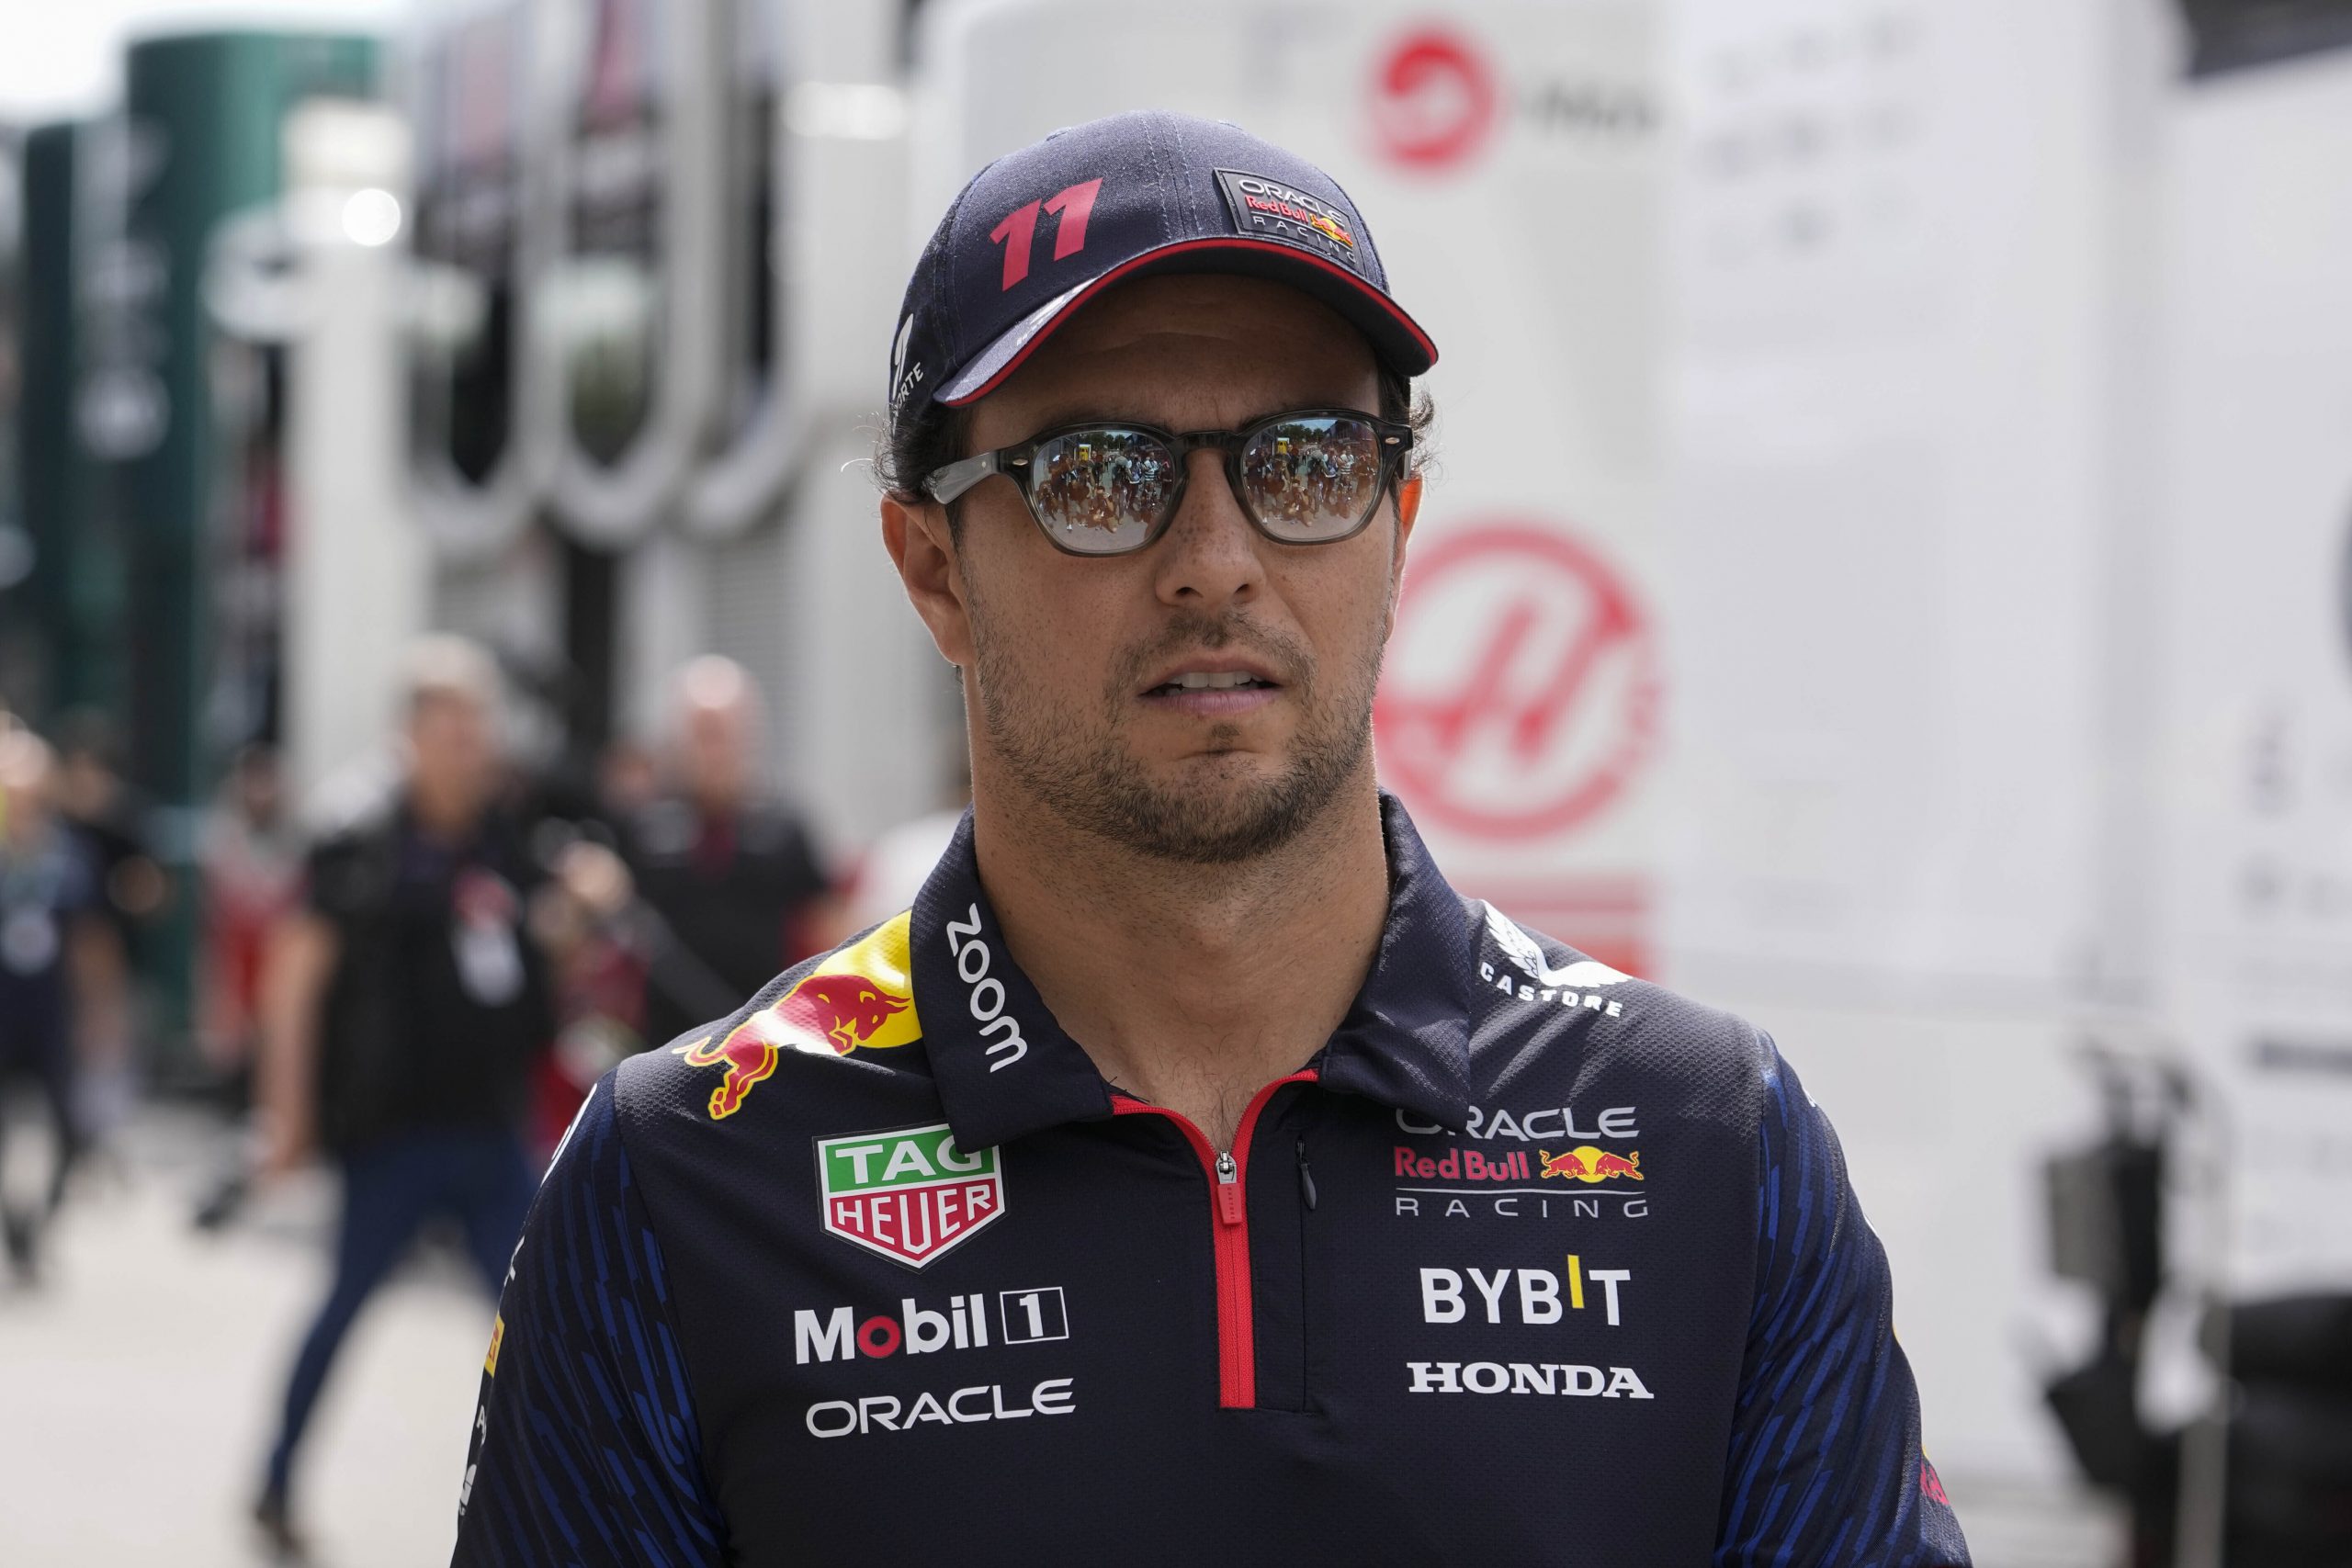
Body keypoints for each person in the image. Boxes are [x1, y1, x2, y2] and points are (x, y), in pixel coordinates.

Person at [453, 113, 1972, 1564]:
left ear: (1402, 520)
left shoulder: (1712, 1140)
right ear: (931, 566)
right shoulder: (687, 1173)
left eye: (1308, 462)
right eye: (1101, 476)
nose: (1218, 562)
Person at [253, 637, 609, 1555]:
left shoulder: (508, 834)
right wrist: (284, 1114)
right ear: (408, 732)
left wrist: (575, 910)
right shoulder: (358, 832)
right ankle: (276, 1480)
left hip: (490, 1129)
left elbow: (546, 960)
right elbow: (295, 981)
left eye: (478, 723)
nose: (469, 743)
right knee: (342, 1310)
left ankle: (589, 1502)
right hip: (389, 1131)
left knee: (539, 1315)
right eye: (450, 724)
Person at [619, 656, 842, 1050]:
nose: (712, 751)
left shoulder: (785, 827)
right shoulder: (645, 828)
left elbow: (828, 932)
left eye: (723, 734)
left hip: (763, 1043)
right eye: (701, 734)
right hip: (663, 1047)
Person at [0, 726, 126, 1282]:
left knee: (70, 1131)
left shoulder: (67, 855)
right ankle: (11, 1224)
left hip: (51, 1012)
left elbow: (90, 941)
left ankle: (39, 1223)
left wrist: (101, 1014)